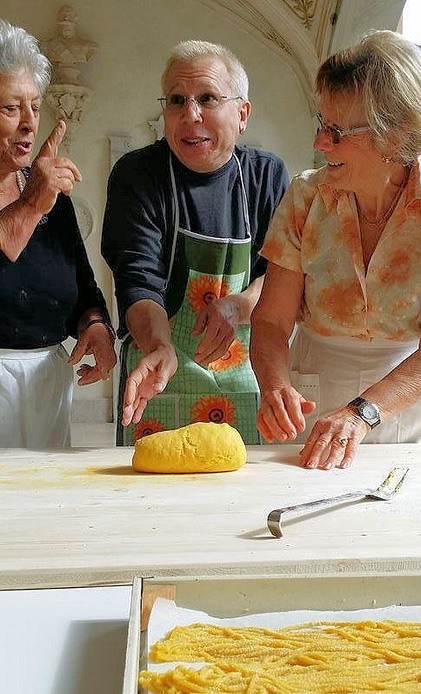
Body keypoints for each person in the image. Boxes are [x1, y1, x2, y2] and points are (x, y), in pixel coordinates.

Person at [250, 30, 421, 470]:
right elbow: (270, 318)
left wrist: (362, 412)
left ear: (396, 137)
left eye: (337, 132)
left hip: (412, 408)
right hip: (314, 399)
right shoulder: (306, 196)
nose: (319, 143)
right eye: (320, 124)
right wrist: (274, 384)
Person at [102, 40, 289, 445]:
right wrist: (158, 345)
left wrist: (238, 306)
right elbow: (138, 278)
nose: (191, 115)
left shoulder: (266, 177)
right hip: (157, 374)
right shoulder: (139, 175)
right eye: (176, 100)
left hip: (244, 378)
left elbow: (279, 278)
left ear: (242, 114)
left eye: (207, 98)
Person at [0, 19, 116, 447]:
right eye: (11, 109)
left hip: (48, 381)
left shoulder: (49, 194)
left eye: (35, 106)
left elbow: (81, 284)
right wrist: (30, 204)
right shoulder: (38, 194)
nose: (30, 123)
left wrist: (96, 323)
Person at [41, 5, 98, 86]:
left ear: (75, 18)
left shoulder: (87, 47)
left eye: (69, 15)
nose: (66, 18)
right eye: (63, 15)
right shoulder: (48, 45)